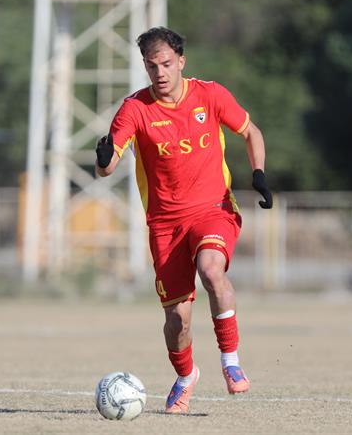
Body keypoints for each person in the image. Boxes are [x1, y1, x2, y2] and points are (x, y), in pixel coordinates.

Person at [95, 27, 272, 414]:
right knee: (178, 320)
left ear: (181, 62)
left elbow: (251, 132)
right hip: (165, 225)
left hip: (213, 210)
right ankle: (186, 376)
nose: (159, 73)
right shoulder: (135, 109)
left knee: (211, 270)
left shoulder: (210, 95)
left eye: (165, 64)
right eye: (151, 66)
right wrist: (104, 157)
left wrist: (258, 173)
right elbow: (107, 167)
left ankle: (231, 362)